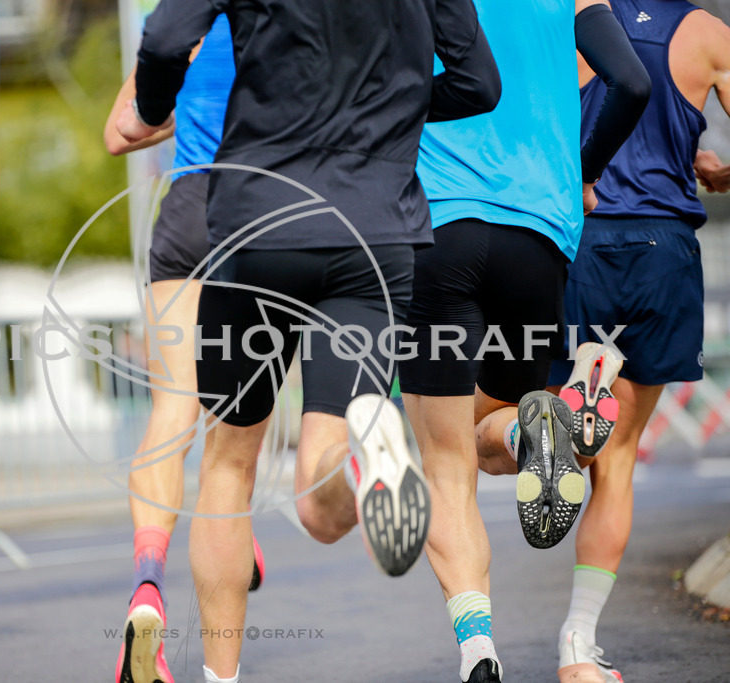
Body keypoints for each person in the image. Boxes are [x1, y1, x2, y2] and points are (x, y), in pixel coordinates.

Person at [117, 0, 502, 680]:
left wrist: (151, 110)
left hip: (259, 223)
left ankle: (220, 676)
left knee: (228, 464)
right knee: (318, 491)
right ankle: (358, 462)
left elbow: (168, 33)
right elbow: (479, 83)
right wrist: (392, 116)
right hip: (375, 231)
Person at [398, 0, 651, 680]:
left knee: (444, 463)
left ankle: (478, 647)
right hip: (539, 243)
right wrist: (584, 170)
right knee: (492, 425)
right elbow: (631, 82)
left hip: (437, 230)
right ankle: (528, 434)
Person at [546, 2, 730, 681]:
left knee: (557, 424)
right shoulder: (708, 34)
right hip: (662, 247)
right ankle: (577, 645)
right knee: (617, 464)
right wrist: (716, 172)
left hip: (580, 238)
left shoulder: (571, 20)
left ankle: (556, 429)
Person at [103, 18, 267, 683]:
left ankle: (147, 586)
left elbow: (120, 131)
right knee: (235, 433)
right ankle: (232, 535)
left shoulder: (191, 27)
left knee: (173, 407)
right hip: (261, 206)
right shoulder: (289, 18)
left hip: (187, 203)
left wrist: (186, 107)